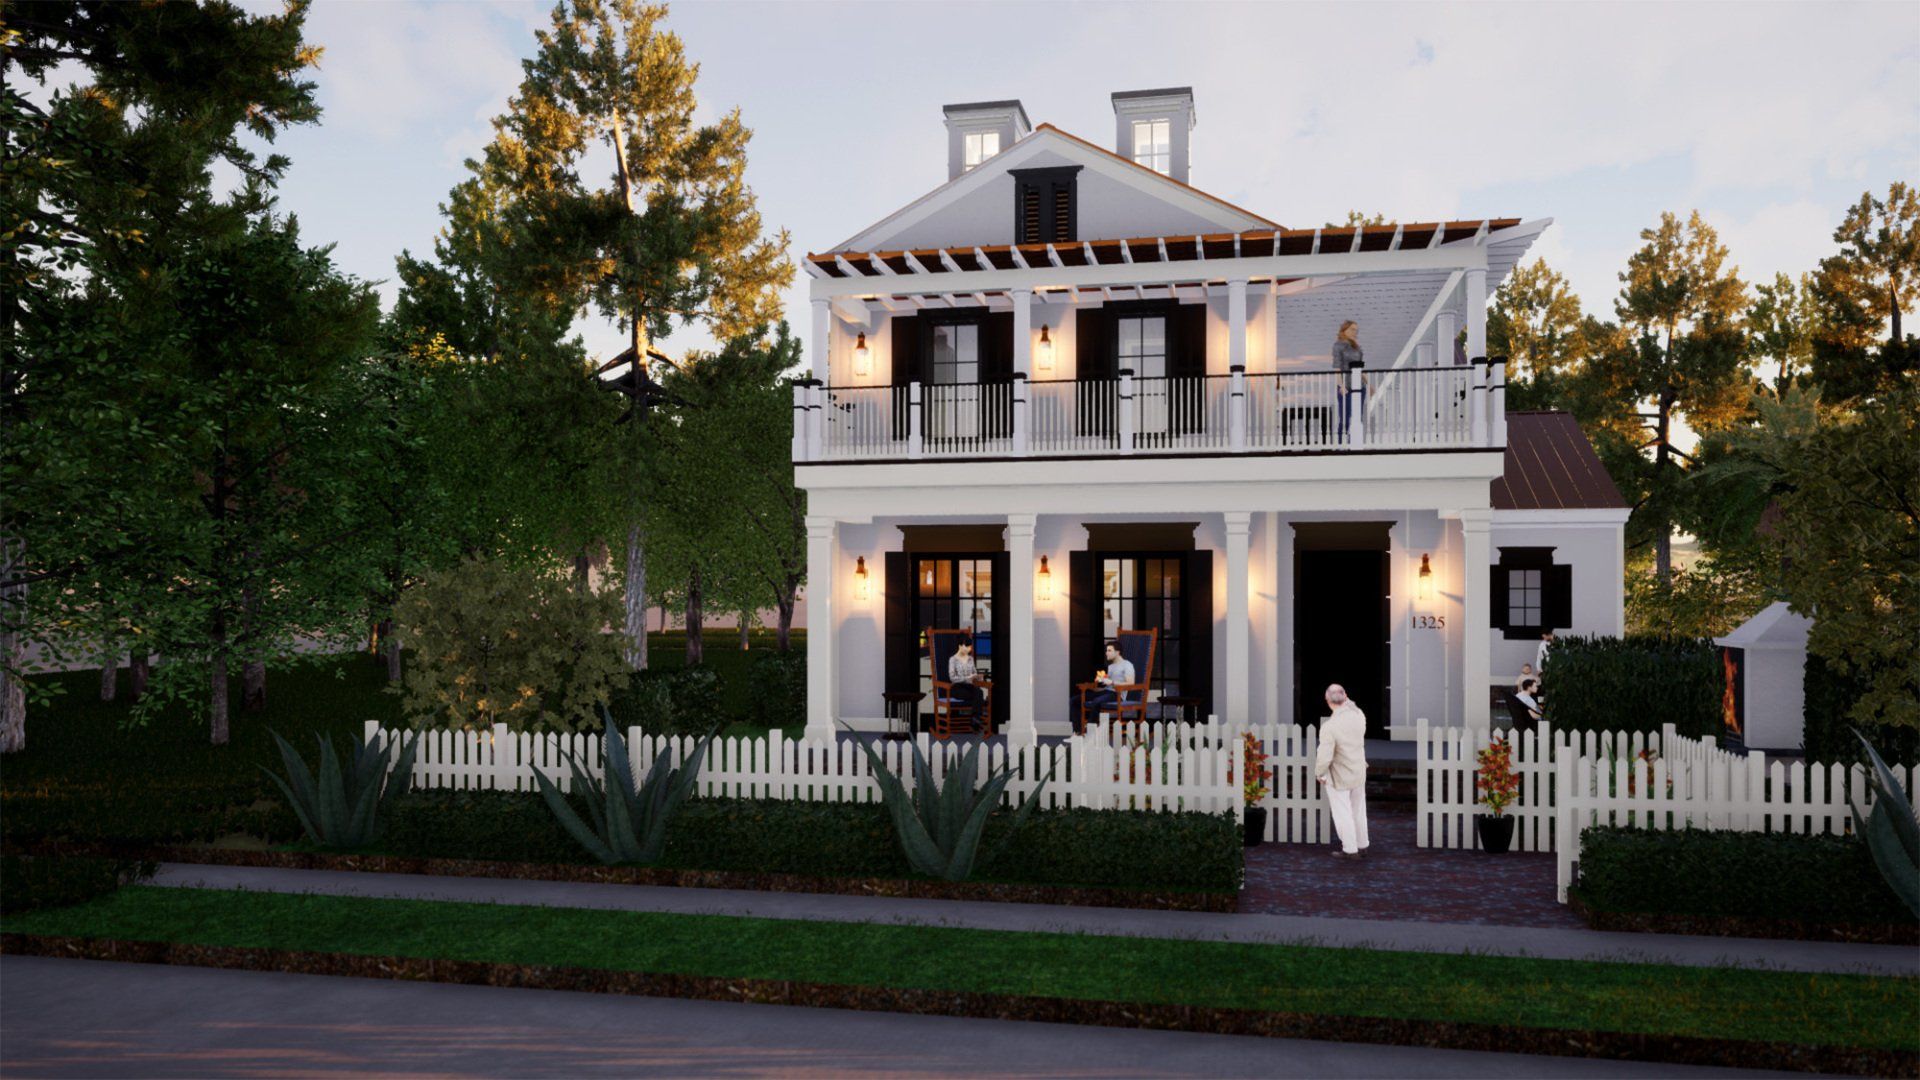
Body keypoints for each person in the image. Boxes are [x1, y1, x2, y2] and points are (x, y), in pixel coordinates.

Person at [1314, 684, 1370, 858]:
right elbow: (1353, 705)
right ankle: (1362, 845)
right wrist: (1345, 697)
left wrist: (1319, 773)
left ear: (1327, 701)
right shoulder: (1359, 715)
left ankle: (1350, 849)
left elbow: (1325, 756)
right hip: (1358, 770)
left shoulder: (1330, 727)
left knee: (1342, 813)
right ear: (1345, 696)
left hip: (1339, 775)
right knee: (1359, 810)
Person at [1072, 639, 1134, 731]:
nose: (1106, 653)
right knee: (1074, 700)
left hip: (1117, 694)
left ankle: (1090, 729)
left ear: (1117, 652)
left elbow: (1131, 683)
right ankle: (1077, 731)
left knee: (1097, 701)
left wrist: (1112, 682)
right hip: (1106, 692)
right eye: (1106, 650)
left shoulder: (1127, 665)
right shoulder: (1111, 666)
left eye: (1109, 650)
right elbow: (1107, 684)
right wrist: (1099, 682)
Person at [1331, 320, 1365, 439]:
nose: (1355, 332)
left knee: (1357, 416)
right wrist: (1341, 385)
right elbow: (1337, 367)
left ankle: (1355, 441)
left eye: (1356, 330)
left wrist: (1368, 384)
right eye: (1352, 329)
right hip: (1346, 386)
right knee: (1344, 416)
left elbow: (1359, 367)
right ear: (1344, 330)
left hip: (1360, 386)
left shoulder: (1357, 347)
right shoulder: (1338, 345)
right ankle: (1341, 443)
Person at [946, 639, 985, 722]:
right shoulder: (953, 659)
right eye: (966, 646)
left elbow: (974, 672)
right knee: (977, 695)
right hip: (957, 687)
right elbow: (952, 678)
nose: (969, 649)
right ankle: (976, 718)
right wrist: (965, 679)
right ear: (960, 646)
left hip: (969, 686)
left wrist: (977, 677)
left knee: (979, 692)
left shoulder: (970, 659)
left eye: (970, 647)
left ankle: (975, 717)